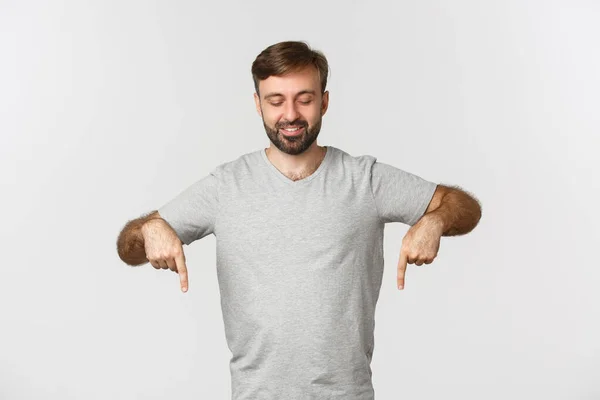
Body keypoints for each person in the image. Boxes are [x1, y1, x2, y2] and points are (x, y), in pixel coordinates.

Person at [116, 40, 482, 400]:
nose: (290, 114)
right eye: (276, 101)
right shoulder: (225, 186)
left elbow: (463, 206)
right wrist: (151, 229)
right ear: (258, 105)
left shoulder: (364, 180)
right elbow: (129, 248)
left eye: (304, 99)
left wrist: (433, 222)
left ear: (324, 101)